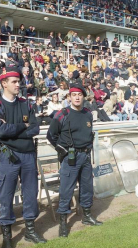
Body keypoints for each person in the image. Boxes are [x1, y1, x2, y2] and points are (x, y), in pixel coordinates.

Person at [0, 67, 46, 248]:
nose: (18, 84)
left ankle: (30, 230)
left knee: (30, 193)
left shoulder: (27, 104)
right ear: (4, 83)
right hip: (8, 155)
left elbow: (36, 129)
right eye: (13, 81)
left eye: (18, 81)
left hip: (28, 154)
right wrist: (23, 126)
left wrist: (13, 131)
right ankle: (7, 235)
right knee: (5, 195)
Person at [47, 83, 102, 238]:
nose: (77, 97)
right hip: (70, 157)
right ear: (69, 97)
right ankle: (63, 223)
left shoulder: (88, 113)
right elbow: (51, 136)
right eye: (74, 94)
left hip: (85, 156)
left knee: (87, 187)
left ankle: (87, 216)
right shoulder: (62, 114)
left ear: (84, 97)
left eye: (80, 94)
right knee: (66, 190)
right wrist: (62, 150)